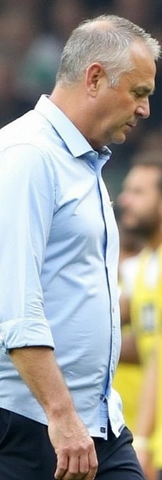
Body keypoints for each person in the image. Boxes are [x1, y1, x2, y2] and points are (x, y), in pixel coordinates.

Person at [0, 14, 158, 480]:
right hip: (19, 415)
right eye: (139, 93)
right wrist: (61, 416)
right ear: (95, 78)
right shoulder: (26, 158)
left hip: (93, 418)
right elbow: (14, 304)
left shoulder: (82, 163)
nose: (144, 110)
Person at [117, 154, 162, 478]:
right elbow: (145, 347)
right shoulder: (144, 267)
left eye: (138, 192)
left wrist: (142, 440)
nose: (124, 200)